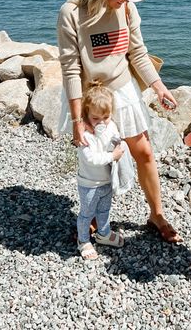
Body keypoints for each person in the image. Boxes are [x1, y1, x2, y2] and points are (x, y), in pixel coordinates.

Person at [57, 0, 182, 243]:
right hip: (90, 96)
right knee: (94, 160)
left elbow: (138, 52)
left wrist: (159, 86)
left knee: (145, 152)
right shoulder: (71, 13)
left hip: (123, 89)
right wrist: (78, 120)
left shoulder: (127, 8)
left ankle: (156, 214)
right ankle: (91, 216)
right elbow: (71, 68)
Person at [76, 80, 125, 260]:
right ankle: (83, 240)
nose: (101, 122)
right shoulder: (84, 135)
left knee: (104, 210)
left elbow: (116, 138)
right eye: (96, 118)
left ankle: (103, 233)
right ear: (87, 114)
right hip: (89, 184)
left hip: (106, 180)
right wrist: (113, 156)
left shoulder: (111, 125)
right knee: (86, 213)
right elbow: (91, 159)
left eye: (106, 117)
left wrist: (120, 145)